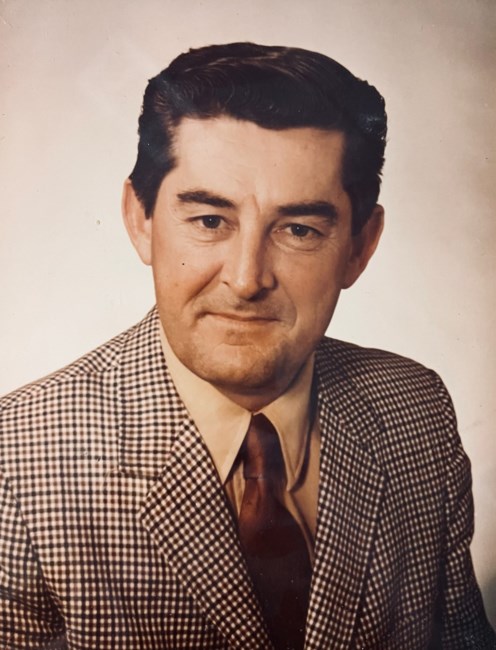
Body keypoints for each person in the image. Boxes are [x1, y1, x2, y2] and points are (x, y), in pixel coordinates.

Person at [0, 42, 494, 650]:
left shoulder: (417, 408)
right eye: (210, 221)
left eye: (299, 230)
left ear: (360, 246)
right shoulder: (16, 461)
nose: (246, 279)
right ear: (139, 219)